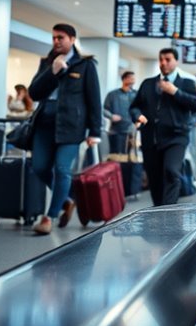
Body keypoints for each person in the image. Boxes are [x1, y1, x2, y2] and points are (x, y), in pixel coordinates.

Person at [27, 23, 101, 235]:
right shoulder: (47, 62)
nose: (57, 41)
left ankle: (49, 217)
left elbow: (93, 99)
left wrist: (95, 131)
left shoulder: (86, 65)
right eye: (54, 38)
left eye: (61, 37)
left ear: (72, 39)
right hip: (44, 124)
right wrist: (52, 71)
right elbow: (34, 93)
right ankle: (68, 200)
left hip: (71, 126)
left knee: (61, 169)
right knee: (40, 167)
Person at [130, 48, 196, 206]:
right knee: (154, 177)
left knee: (171, 171)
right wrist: (137, 116)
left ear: (176, 62)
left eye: (168, 59)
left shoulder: (186, 83)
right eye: (161, 59)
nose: (163, 62)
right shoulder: (148, 84)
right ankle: (159, 209)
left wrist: (175, 92)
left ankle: (168, 209)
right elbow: (134, 106)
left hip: (176, 137)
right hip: (151, 138)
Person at [103, 71, 137, 155]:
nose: (133, 81)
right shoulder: (112, 94)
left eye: (134, 79)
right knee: (115, 155)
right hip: (115, 131)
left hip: (130, 131)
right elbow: (104, 110)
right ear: (124, 79)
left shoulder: (136, 94)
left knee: (127, 157)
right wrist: (111, 116)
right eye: (131, 78)